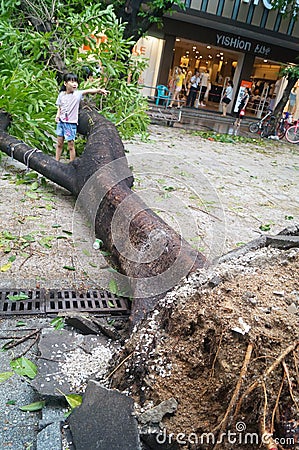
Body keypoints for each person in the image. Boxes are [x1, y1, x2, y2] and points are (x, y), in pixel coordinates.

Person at [55, 73, 109, 162]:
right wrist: (57, 115)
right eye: (72, 82)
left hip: (70, 123)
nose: (75, 84)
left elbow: (88, 91)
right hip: (61, 122)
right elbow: (60, 107)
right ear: (65, 83)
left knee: (70, 145)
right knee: (59, 143)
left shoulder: (77, 94)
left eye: (76, 82)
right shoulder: (61, 95)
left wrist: (100, 90)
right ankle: (56, 161)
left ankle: (72, 164)